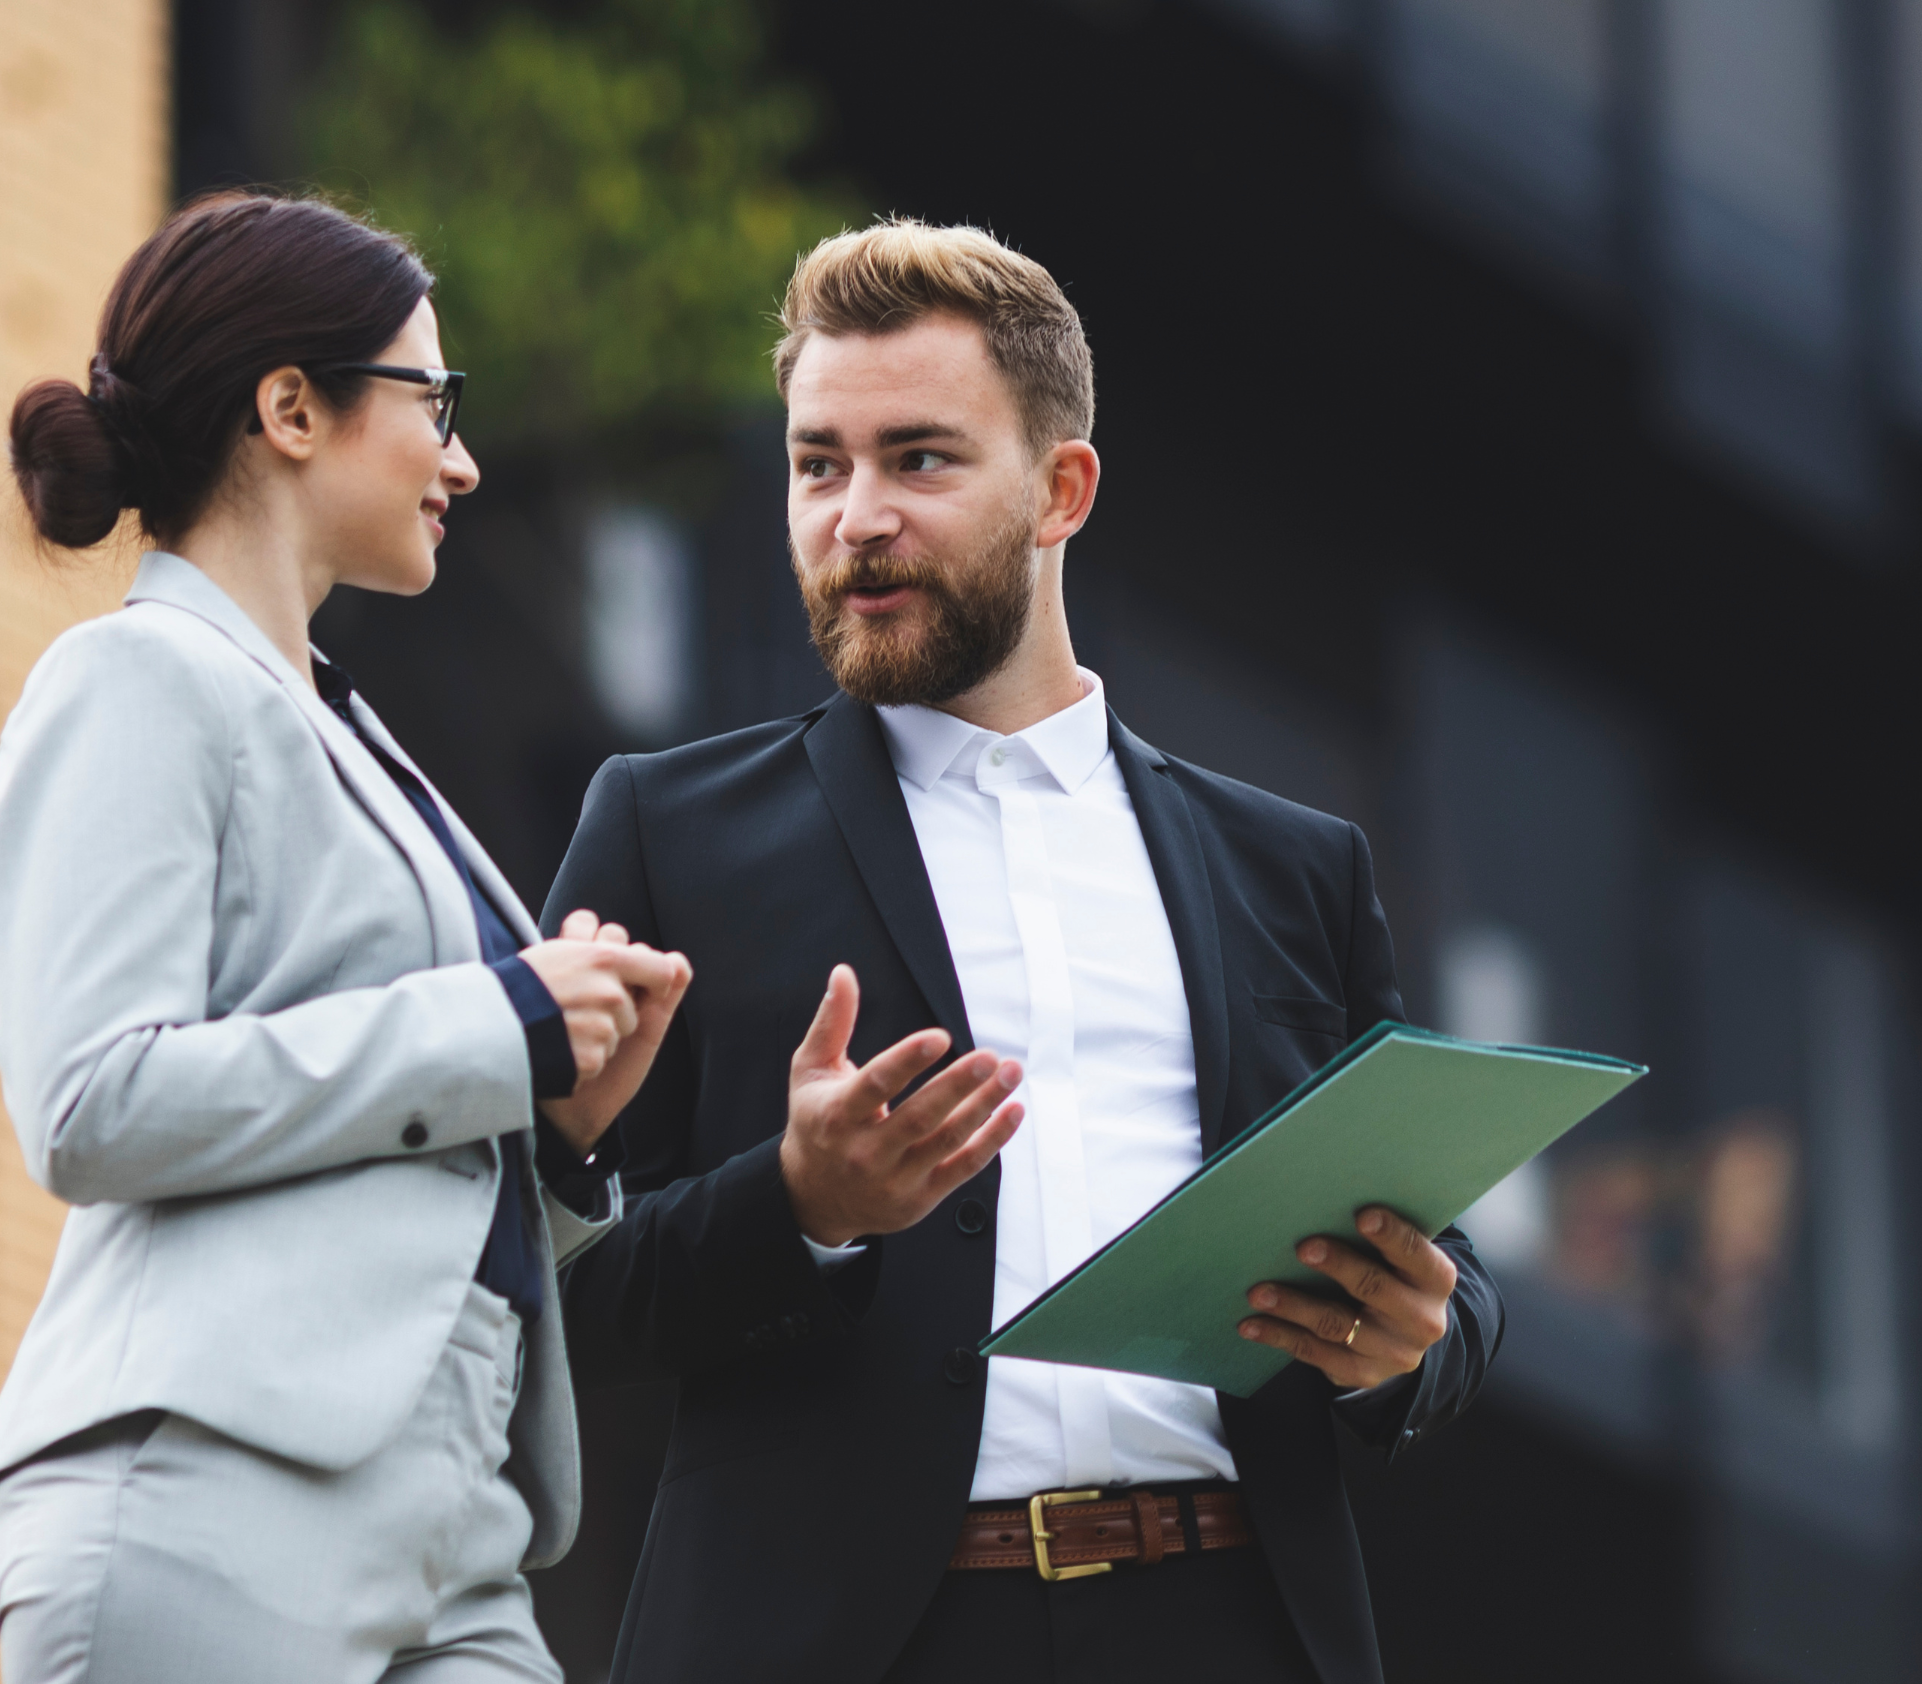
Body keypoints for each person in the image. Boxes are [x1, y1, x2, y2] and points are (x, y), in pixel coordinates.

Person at [545, 220, 1501, 1684]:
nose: (854, 515)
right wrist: (795, 1204)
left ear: (1061, 490)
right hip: (843, 1644)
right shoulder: (665, 831)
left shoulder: (1293, 869)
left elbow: (1439, 1264)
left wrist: (1416, 1338)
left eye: (918, 460)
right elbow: (537, 1285)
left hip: (1229, 1622)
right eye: (818, 464)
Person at [0, 191, 692, 1684]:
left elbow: (411, 1168)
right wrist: (496, 1028)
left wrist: (563, 1129)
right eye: (433, 400)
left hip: (464, 1538)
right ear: (292, 408)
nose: (464, 457)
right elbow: (85, 1102)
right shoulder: (132, 679)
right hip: (210, 1497)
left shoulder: (350, 736)